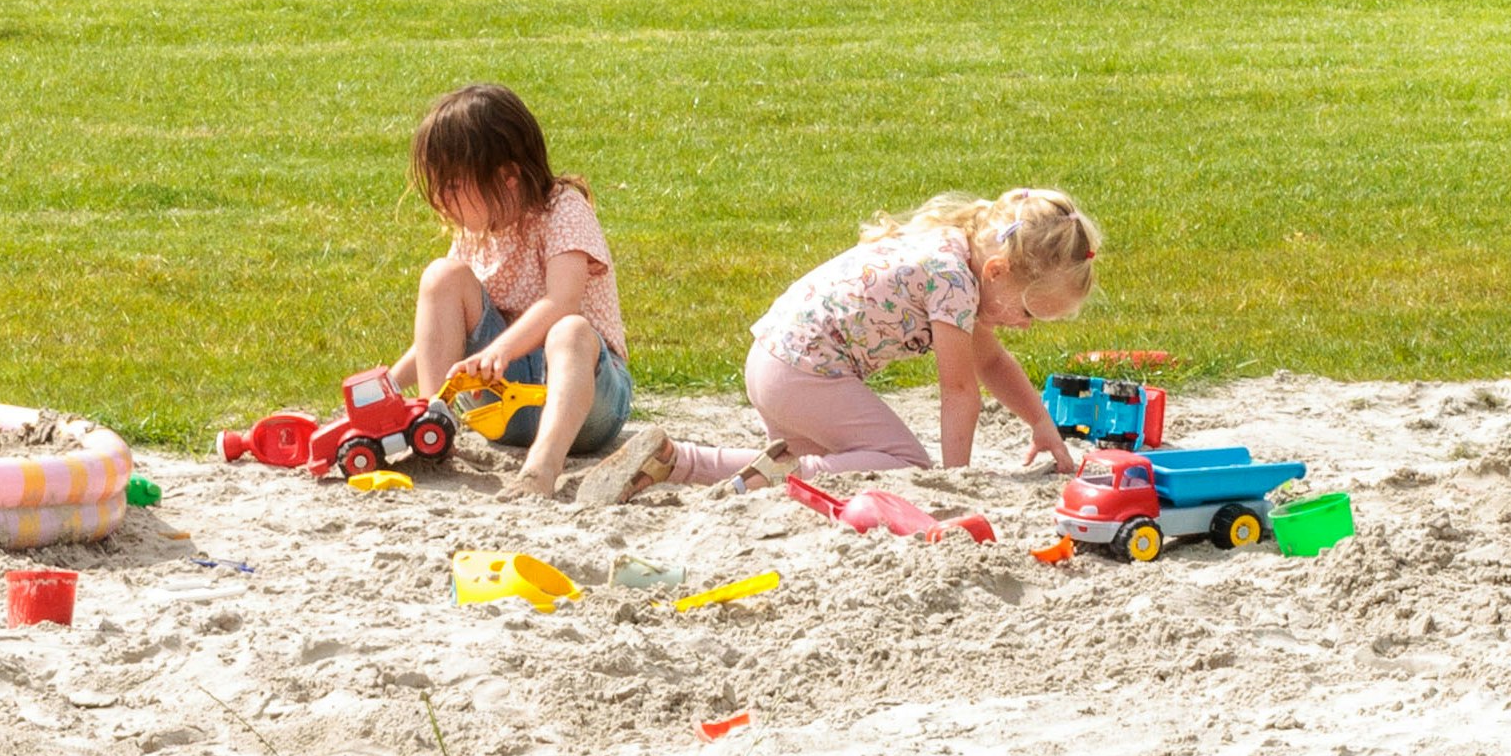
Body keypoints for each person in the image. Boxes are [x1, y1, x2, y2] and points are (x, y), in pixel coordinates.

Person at [382, 84, 687, 502]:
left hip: (585, 405)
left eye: (453, 184)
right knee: (441, 276)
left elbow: (562, 301)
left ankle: (541, 468)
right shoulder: (475, 235)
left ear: (508, 177)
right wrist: (386, 384)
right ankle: (430, 424)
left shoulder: (563, 210)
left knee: (570, 330)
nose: (440, 198)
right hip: (502, 403)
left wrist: (501, 351)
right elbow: (440, 334)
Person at [743, 186, 1096, 475]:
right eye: (1027, 311)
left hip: (772, 359)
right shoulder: (953, 281)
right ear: (997, 271)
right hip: (803, 372)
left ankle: (691, 462)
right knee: (905, 464)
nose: (1023, 325)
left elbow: (991, 363)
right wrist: (957, 475)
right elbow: (958, 390)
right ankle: (777, 477)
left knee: (796, 463)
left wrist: (1040, 421)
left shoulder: (952, 250)